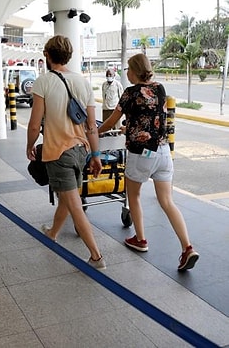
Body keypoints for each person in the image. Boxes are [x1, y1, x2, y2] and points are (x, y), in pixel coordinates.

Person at [98, 53, 199, 271]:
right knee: (167, 202)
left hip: (140, 154)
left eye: (128, 69)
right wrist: (130, 128)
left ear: (134, 71)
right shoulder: (160, 89)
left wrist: (94, 131)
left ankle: (141, 240)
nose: (126, 72)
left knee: (133, 195)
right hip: (163, 152)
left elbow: (110, 122)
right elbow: (149, 120)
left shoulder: (129, 93)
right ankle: (187, 247)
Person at [26, 35, 106, 269]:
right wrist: (96, 154)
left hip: (59, 153)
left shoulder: (44, 81)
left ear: (48, 56)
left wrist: (29, 145)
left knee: (73, 203)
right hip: (81, 151)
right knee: (67, 197)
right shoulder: (83, 82)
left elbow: (34, 123)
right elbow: (92, 126)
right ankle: (52, 233)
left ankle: (96, 256)